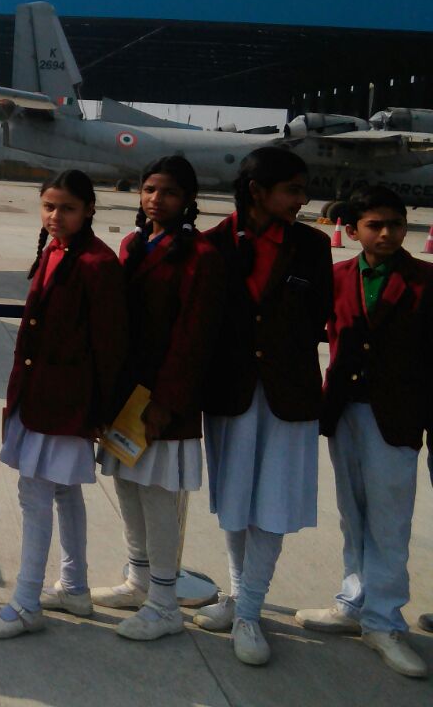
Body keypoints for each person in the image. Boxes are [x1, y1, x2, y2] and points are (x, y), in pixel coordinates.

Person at [194, 146, 332, 665]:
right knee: (234, 500)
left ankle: (250, 611)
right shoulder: (212, 244)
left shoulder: (312, 246)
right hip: (230, 392)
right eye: (292, 190)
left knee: (272, 502)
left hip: (286, 393)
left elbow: (316, 315)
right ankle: (237, 595)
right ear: (257, 191)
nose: (302, 200)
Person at [0, 169, 127, 639]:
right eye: (48, 206)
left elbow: (110, 345)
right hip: (41, 393)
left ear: (89, 211)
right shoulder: (54, 252)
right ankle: (75, 586)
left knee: (36, 495)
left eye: (67, 208)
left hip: (67, 401)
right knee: (63, 491)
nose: (55, 216)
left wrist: (100, 412)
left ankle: (26, 602)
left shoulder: (97, 264)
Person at [295, 186, 431, 678]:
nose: (387, 233)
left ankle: (384, 619)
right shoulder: (337, 278)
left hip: (396, 415)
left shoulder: (424, 280)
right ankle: (353, 601)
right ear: (352, 231)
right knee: (352, 512)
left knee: (389, 519)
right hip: (345, 410)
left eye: (396, 224)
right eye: (375, 225)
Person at [91, 156, 222, 640]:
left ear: (188, 199)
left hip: (163, 398)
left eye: (168, 192)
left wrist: (166, 401)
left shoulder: (200, 255)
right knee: (127, 485)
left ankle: (165, 602)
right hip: (127, 393)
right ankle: (139, 579)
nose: (156, 199)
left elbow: (193, 336)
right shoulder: (134, 244)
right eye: (149, 189)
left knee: (158, 495)